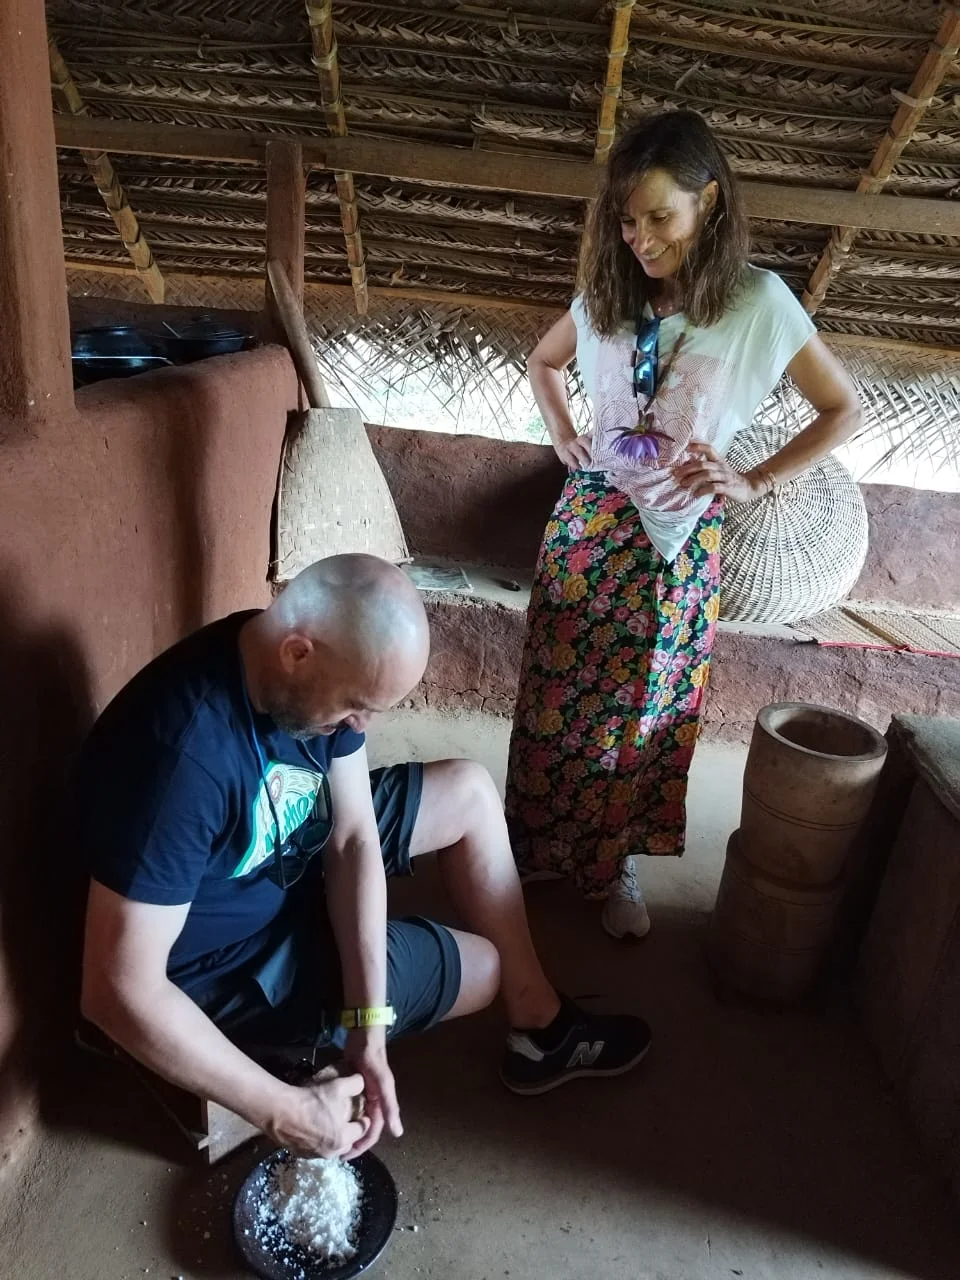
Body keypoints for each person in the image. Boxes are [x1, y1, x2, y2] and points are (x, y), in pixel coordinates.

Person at [77, 554, 651, 1159]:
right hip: (227, 966)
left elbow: (351, 838)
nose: (362, 725)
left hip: (280, 855)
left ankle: (538, 1023)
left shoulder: (294, 664)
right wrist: (284, 1111)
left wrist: (368, 1025)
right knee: (483, 967)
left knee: (470, 793)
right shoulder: (182, 759)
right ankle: (265, 1056)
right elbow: (116, 988)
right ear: (298, 651)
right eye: (357, 707)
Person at [505, 110, 862, 939]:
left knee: (643, 703)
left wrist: (754, 479)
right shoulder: (607, 293)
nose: (639, 237)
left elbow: (841, 409)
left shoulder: (759, 304)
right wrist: (563, 433)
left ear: (710, 203)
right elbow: (543, 359)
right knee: (555, 688)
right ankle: (537, 845)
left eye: (659, 216)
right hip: (590, 520)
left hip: (677, 540)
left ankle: (614, 860)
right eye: (627, 220)